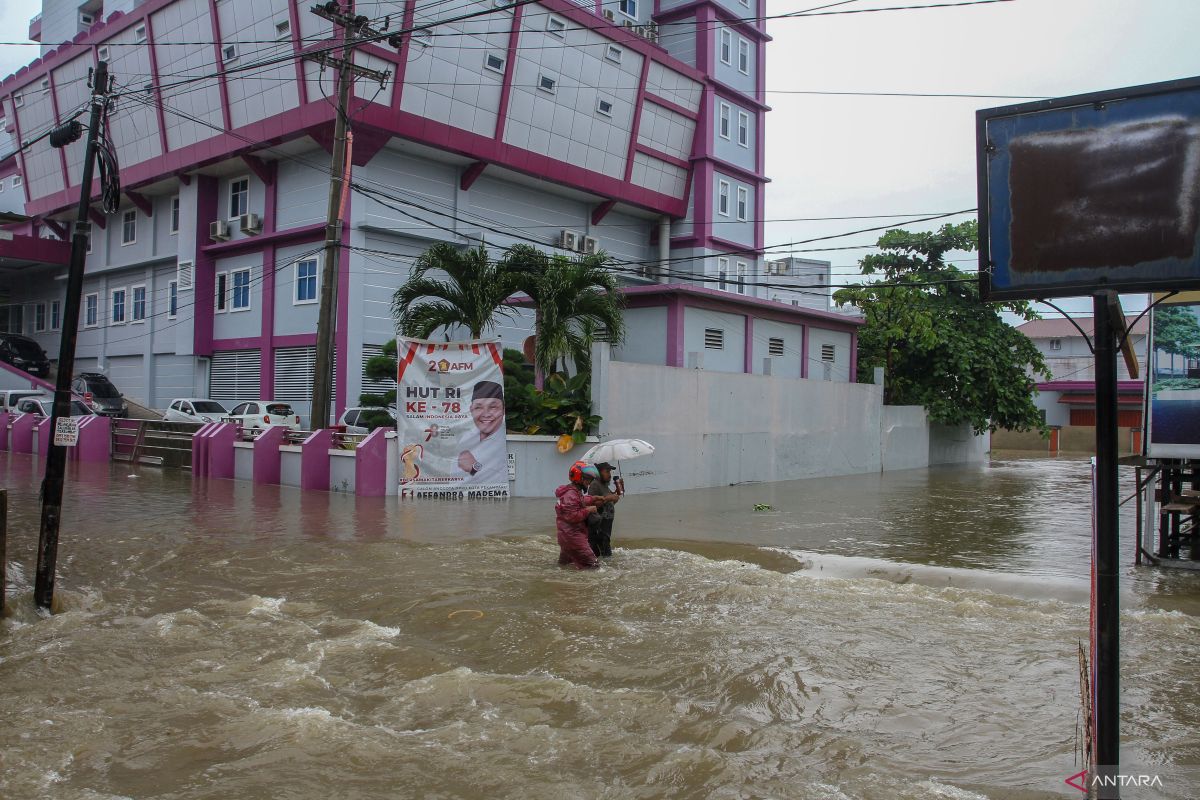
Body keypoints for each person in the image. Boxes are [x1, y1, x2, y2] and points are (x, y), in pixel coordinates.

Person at [457, 380, 507, 484]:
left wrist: (474, 468)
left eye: (493, 407)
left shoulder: (503, 440)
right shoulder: (465, 438)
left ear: (503, 409)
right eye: (478, 407)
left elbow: (499, 480)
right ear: (471, 410)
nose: (486, 414)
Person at [556, 461, 603, 569]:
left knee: (563, 567)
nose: (589, 482)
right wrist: (589, 510)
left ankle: (564, 585)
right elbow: (572, 516)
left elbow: (579, 501)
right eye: (587, 479)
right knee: (594, 566)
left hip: (566, 537)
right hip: (574, 538)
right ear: (579, 478)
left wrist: (593, 498)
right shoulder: (571, 494)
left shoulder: (573, 492)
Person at [586, 462, 622, 557]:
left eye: (610, 472)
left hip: (605, 528)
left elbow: (609, 504)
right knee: (604, 555)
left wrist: (617, 493)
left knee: (605, 554)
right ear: (599, 473)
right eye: (607, 472)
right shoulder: (595, 485)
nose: (609, 474)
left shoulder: (604, 485)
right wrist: (609, 498)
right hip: (598, 527)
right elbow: (591, 505)